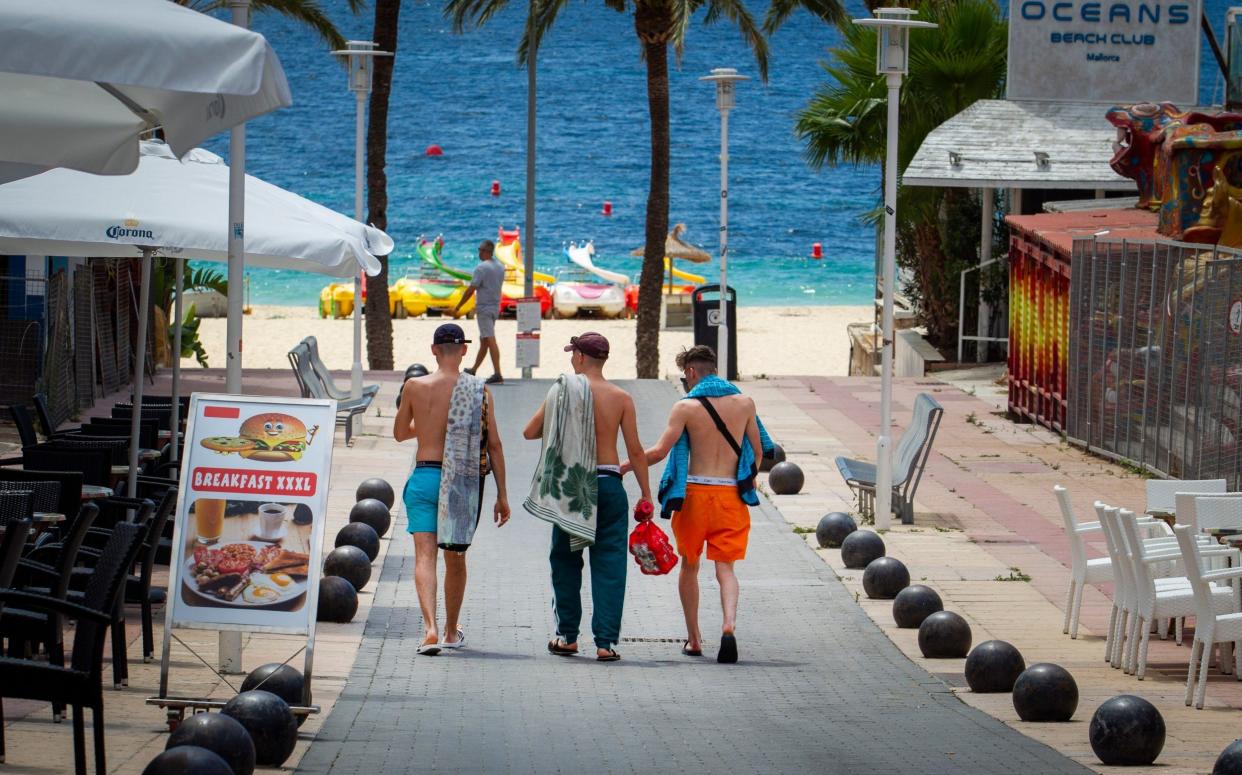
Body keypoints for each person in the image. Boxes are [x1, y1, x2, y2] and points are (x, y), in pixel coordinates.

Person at [623, 345, 772, 664]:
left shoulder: (685, 407)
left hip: (694, 496)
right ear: (712, 368)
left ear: (691, 372)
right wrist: (747, 477)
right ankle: (729, 625)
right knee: (726, 568)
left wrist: (624, 466)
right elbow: (757, 452)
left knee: (690, 564)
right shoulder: (745, 403)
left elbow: (661, 451)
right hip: (730, 497)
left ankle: (693, 640)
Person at [522, 332, 652, 662]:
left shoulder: (563, 391)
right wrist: (646, 495)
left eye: (572, 354)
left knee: (565, 562)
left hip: (573, 490)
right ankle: (606, 643)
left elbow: (529, 431)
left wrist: (562, 417)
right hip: (610, 484)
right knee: (610, 566)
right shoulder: (622, 397)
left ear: (580, 357)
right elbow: (635, 450)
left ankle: (567, 636)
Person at [394, 323, 510, 655]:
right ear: (463, 350)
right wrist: (502, 495)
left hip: (425, 478)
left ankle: (429, 629)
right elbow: (496, 447)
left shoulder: (415, 386)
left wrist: (428, 423)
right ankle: (449, 631)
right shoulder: (479, 390)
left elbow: (401, 433)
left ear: (433, 350)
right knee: (455, 558)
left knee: (425, 556)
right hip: (460, 482)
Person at [454, 239, 506, 385]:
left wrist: (458, 307)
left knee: (490, 339)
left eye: (480, 249)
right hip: (495, 307)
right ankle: (474, 368)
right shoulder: (500, 267)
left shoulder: (481, 268)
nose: (479, 252)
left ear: (487, 251)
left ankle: (498, 373)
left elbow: (472, 289)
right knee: (484, 341)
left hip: (484, 308)